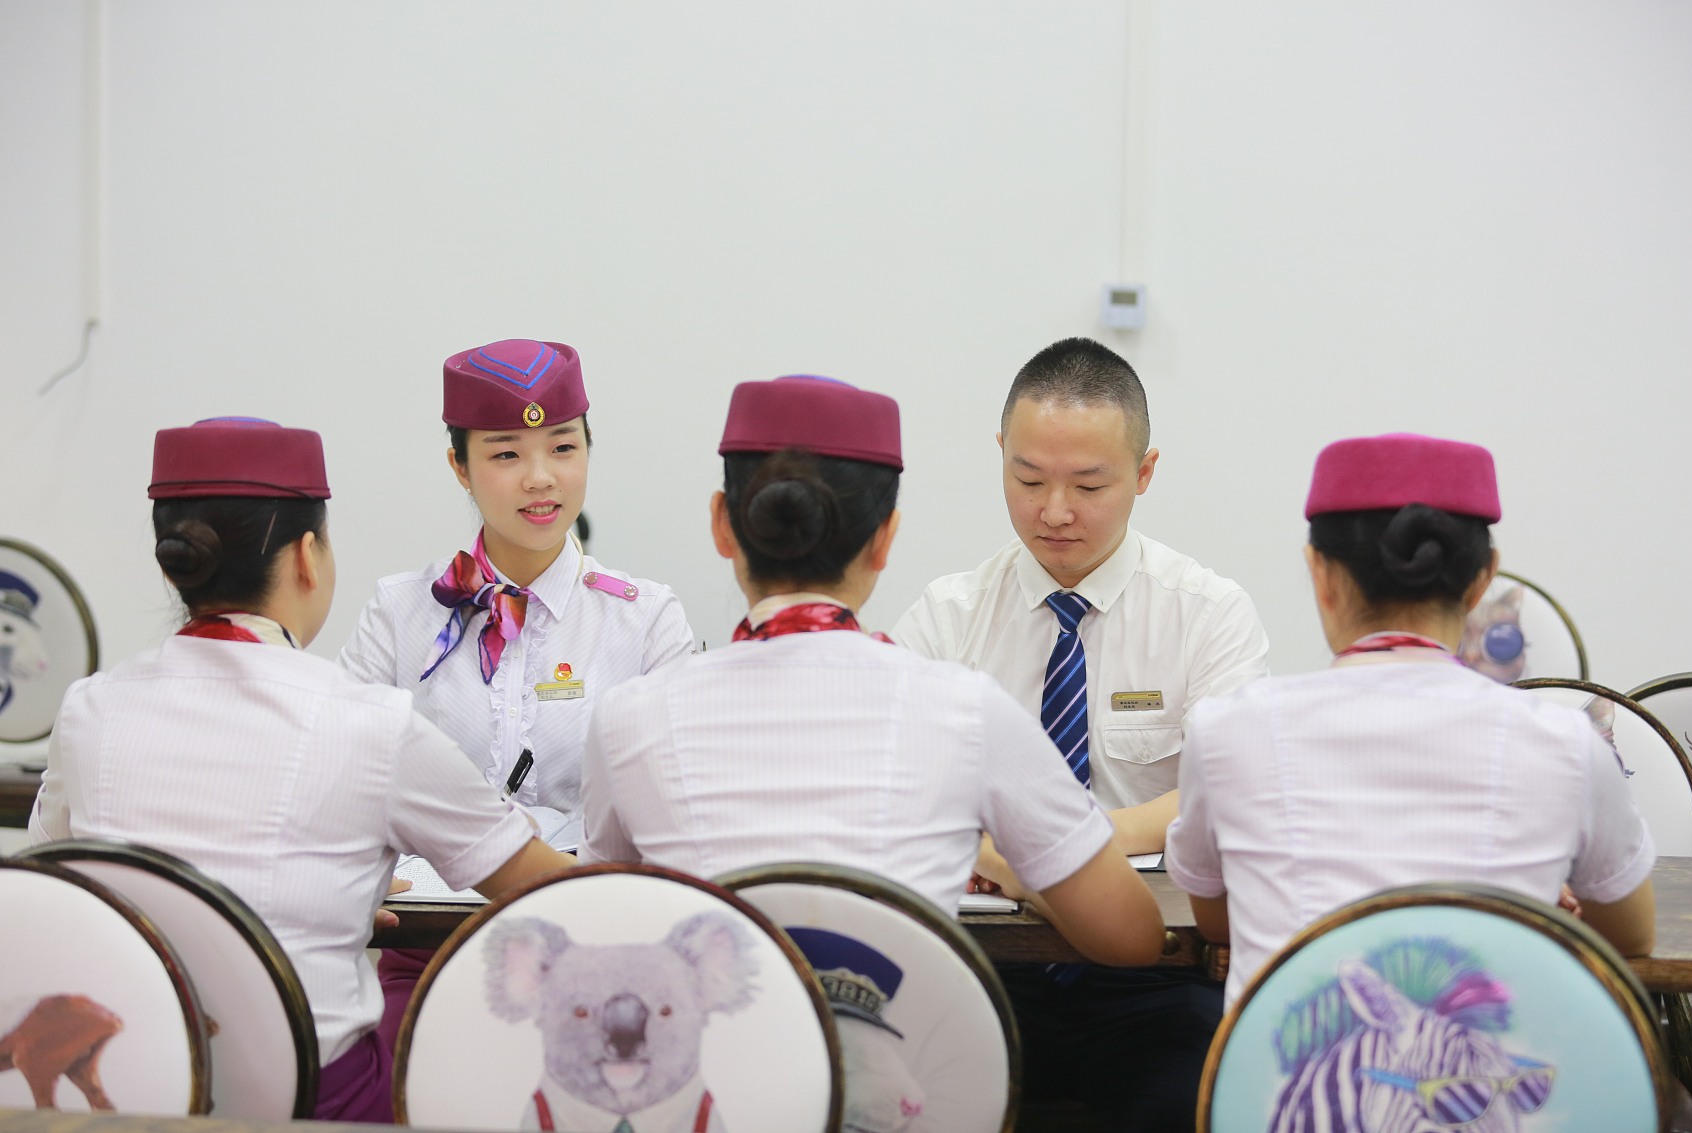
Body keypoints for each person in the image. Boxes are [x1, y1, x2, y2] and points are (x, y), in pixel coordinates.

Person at [30, 416, 575, 1121]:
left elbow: (58, 887)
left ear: (174, 565)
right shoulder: (371, 721)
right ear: (308, 557)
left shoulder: (90, 709)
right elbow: (547, 886)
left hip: (135, 1100)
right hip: (315, 1103)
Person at [579, 374, 1165, 971]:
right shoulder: (967, 712)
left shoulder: (628, 719)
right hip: (905, 1033)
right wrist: (1014, 868)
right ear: (885, 539)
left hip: (715, 1034)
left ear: (722, 525)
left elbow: (596, 921)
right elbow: (1131, 937)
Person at [891, 337, 1267, 1131]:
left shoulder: (1208, 614)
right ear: (1000, 453)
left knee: (1195, 1096)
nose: (1055, 510)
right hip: (978, 969)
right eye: (1028, 479)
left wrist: (1057, 850)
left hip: (1155, 977)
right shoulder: (947, 618)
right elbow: (896, 791)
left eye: (1089, 484)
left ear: (1145, 471)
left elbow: (1228, 793)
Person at [1165, 432, 1656, 1006]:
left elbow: (1220, 921)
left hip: (1280, 1064)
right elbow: (1631, 935)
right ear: (1483, 579)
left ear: (1319, 573)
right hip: (1493, 1065)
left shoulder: (1226, 732)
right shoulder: (1568, 742)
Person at [340, 338, 694, 850]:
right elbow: (339, 775)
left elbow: (675, 806)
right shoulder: (399, 611)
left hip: (589, 891)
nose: (540, 479)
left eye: (563, 448)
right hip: (433, 897)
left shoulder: (646, 620)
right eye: (506, 454)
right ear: (460, 467)